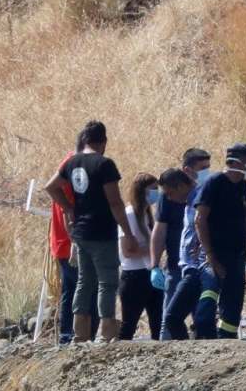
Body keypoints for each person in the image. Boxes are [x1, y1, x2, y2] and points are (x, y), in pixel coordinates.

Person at [49, 121, 126, 344]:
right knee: (106, 282)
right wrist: (127, 231)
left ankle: (79, 335)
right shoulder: (104, 164)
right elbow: (115, 202)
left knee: (84, 282)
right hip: (102, 232)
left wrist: (70, 208)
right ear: (104, 142)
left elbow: (50, 186)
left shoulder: (71, 162)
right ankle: (106, 333)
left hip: (81, 233)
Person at [190, 144, 246, 341]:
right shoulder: (214, 182)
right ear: (239, 162)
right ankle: (203, 338)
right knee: (209, 295)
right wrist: (211, 255)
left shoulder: (242, 185)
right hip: (216, 254)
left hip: (236, 254)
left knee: (233, 301)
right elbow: (199, 219)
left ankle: (227, 340)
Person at [115, 171, 164, 340]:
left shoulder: (149, 215)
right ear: (141, 190)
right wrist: (153, 248)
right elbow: (127, 252)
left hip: (151, 273)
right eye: (153, 188)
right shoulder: (129, 215)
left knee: (158, 324)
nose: (156, 192)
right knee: (129, 326)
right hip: (134, 277)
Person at [152, 167, 196, 339]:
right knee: (168, 319)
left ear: (180, 187)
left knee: (201, 317)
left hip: (198, 268)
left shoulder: (201, 196)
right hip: (175, 265)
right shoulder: (166, 199)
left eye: (170, 193)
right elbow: (159, 231)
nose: (168, 197)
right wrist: (154, 265)